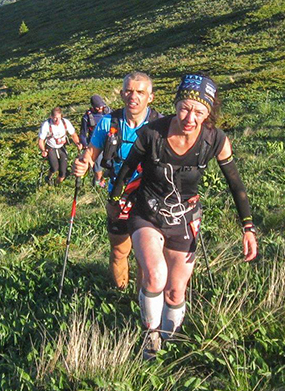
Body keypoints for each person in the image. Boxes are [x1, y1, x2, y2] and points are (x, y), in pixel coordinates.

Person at [108, 74, 257, 359]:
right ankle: (150, 339)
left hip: (185, 218)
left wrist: (247, 227)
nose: (190, 117)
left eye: (199, 112)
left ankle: (171, 344)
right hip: (147, 213)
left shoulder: (216, 140)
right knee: (154, 276)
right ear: (176, 105)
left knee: (176, 291)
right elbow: (127, 169)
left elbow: (236, 185)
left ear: (209, 113)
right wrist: (116, 200)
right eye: (185, 108)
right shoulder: (152, 133)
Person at [72, 72, 161, 290]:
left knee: (146, 254)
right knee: (119, 250)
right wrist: (82, 165)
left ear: (150, 97)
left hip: (150, 196)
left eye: (140, 92)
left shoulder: (160, 125)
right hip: (117, 196)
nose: (134, 96)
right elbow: (90, 155)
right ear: (121, 94)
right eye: (129, 91)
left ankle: (142, 299)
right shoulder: (107, 124)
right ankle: (120, 293)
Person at [38, 107, 82, 185]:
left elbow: (73, 134)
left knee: (63, 172)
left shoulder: (65, 123)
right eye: (55, 118)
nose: (57, 120)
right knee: (54, 167)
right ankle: (48, 177)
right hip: (51, 147)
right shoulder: (46, 125)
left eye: (58, 118)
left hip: (62, 147)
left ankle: (57, 185)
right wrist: (43, 150)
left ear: (61, 116)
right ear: (51, 117)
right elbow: (41, 140)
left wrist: (78, 143)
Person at [80, 95, 112, 187]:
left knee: (110, 166)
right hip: (95, 145)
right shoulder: (86, 117)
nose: (100, 108)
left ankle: (103, 181)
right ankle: (98, 186)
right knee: (98, 169)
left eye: (101, 106)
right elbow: (82, 134)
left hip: (109, 144)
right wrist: (85, 145)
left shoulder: (108, 112)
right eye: (98, 107)